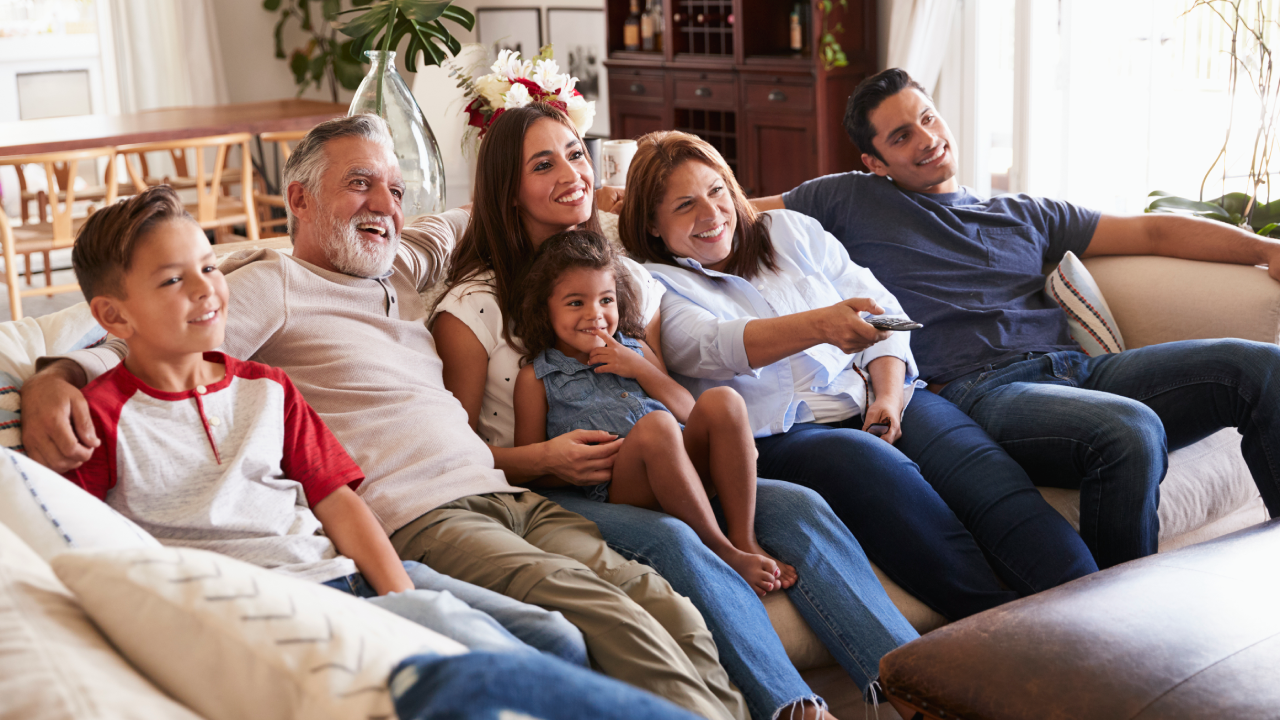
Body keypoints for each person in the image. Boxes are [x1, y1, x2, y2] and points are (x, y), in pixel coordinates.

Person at [20, 114, 743, 720]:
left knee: (660, 599)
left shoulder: (399, 264)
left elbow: (472, 212)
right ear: (298, 200)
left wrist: (602, 194)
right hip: (423, 514)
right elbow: (162, 340)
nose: (382, 205)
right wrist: (60, 374)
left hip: (506, 494)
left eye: (393, 189)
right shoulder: (274, 283)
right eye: (358, 185)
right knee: (602, 614)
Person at [433, 102, 919, 720]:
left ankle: (918, 686)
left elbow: (658, 396)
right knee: (671, 540)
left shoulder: (627, 280)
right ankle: (793, 707)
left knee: (800, 504)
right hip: (564, 493)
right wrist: (542, 456)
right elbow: (450, 453)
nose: (572, 172)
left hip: (666, 461)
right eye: (543, 164)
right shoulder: (471, 308)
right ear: (507, 190)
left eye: (577, 154)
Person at [758, 67, 1280, 568]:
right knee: (1130, 429)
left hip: (1079, 373)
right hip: (981, 393)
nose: (926, 138)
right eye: (901, 136)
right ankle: (1120, 634)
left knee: (1263, 367)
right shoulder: (848, 198)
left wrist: (1265, 249)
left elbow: (1152, 233)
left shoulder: (1026, 212)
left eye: (929, 117)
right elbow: (728, 214)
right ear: (876, 162)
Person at [619, 130, 1099, 622]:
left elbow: (884, 311)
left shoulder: (789, 231)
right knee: (876, 468)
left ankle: (1094, 611)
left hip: (874, 395)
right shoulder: (655, 284)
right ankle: (1001, 630)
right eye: (684, 205)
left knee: (985, 475)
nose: (711, 213)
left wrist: (888, 397)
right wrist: (819, 324)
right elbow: (714, 345)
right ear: (652, 224)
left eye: (716, 190)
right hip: (786, 436)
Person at [60, 184, 550, 658]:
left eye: (209, 266)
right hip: (271, 614)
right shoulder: (97, 418)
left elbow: (338, 503)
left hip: (346, 573)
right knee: (486, 671)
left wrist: (402, 601)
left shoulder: (268, 387)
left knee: (551, 635)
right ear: (114, 316)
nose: (206, 289)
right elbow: (79, 547)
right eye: (172, 279)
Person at [511, 229, 794, 595]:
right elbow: (532, 467)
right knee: (657, 425)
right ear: (544, 308)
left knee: (723, 399)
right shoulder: (536, 378)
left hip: (684, 468)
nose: (595, 315)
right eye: (575, 303)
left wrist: (640, 367)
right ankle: (720, 550)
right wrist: (569, 465)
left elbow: (690, 413)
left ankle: (744, 539)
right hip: (622, 488)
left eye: (606, 300)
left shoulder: (637, 351)